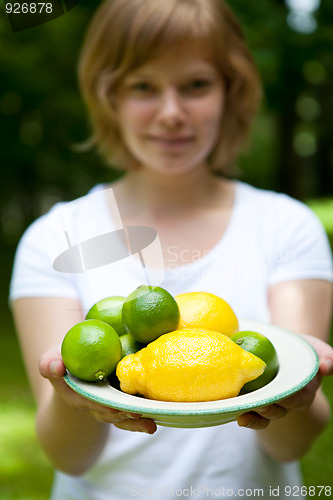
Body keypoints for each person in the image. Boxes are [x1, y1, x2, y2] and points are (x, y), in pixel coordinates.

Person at [9, 0, 333, 498]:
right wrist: (72, 401)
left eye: (196, 85)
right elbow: (66, 455)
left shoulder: (287, 227)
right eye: (143, 86)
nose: (171, 112)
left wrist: (296, 393)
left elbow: (292, 442)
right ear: (108, 95)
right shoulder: (56, 238)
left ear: (231, 90)